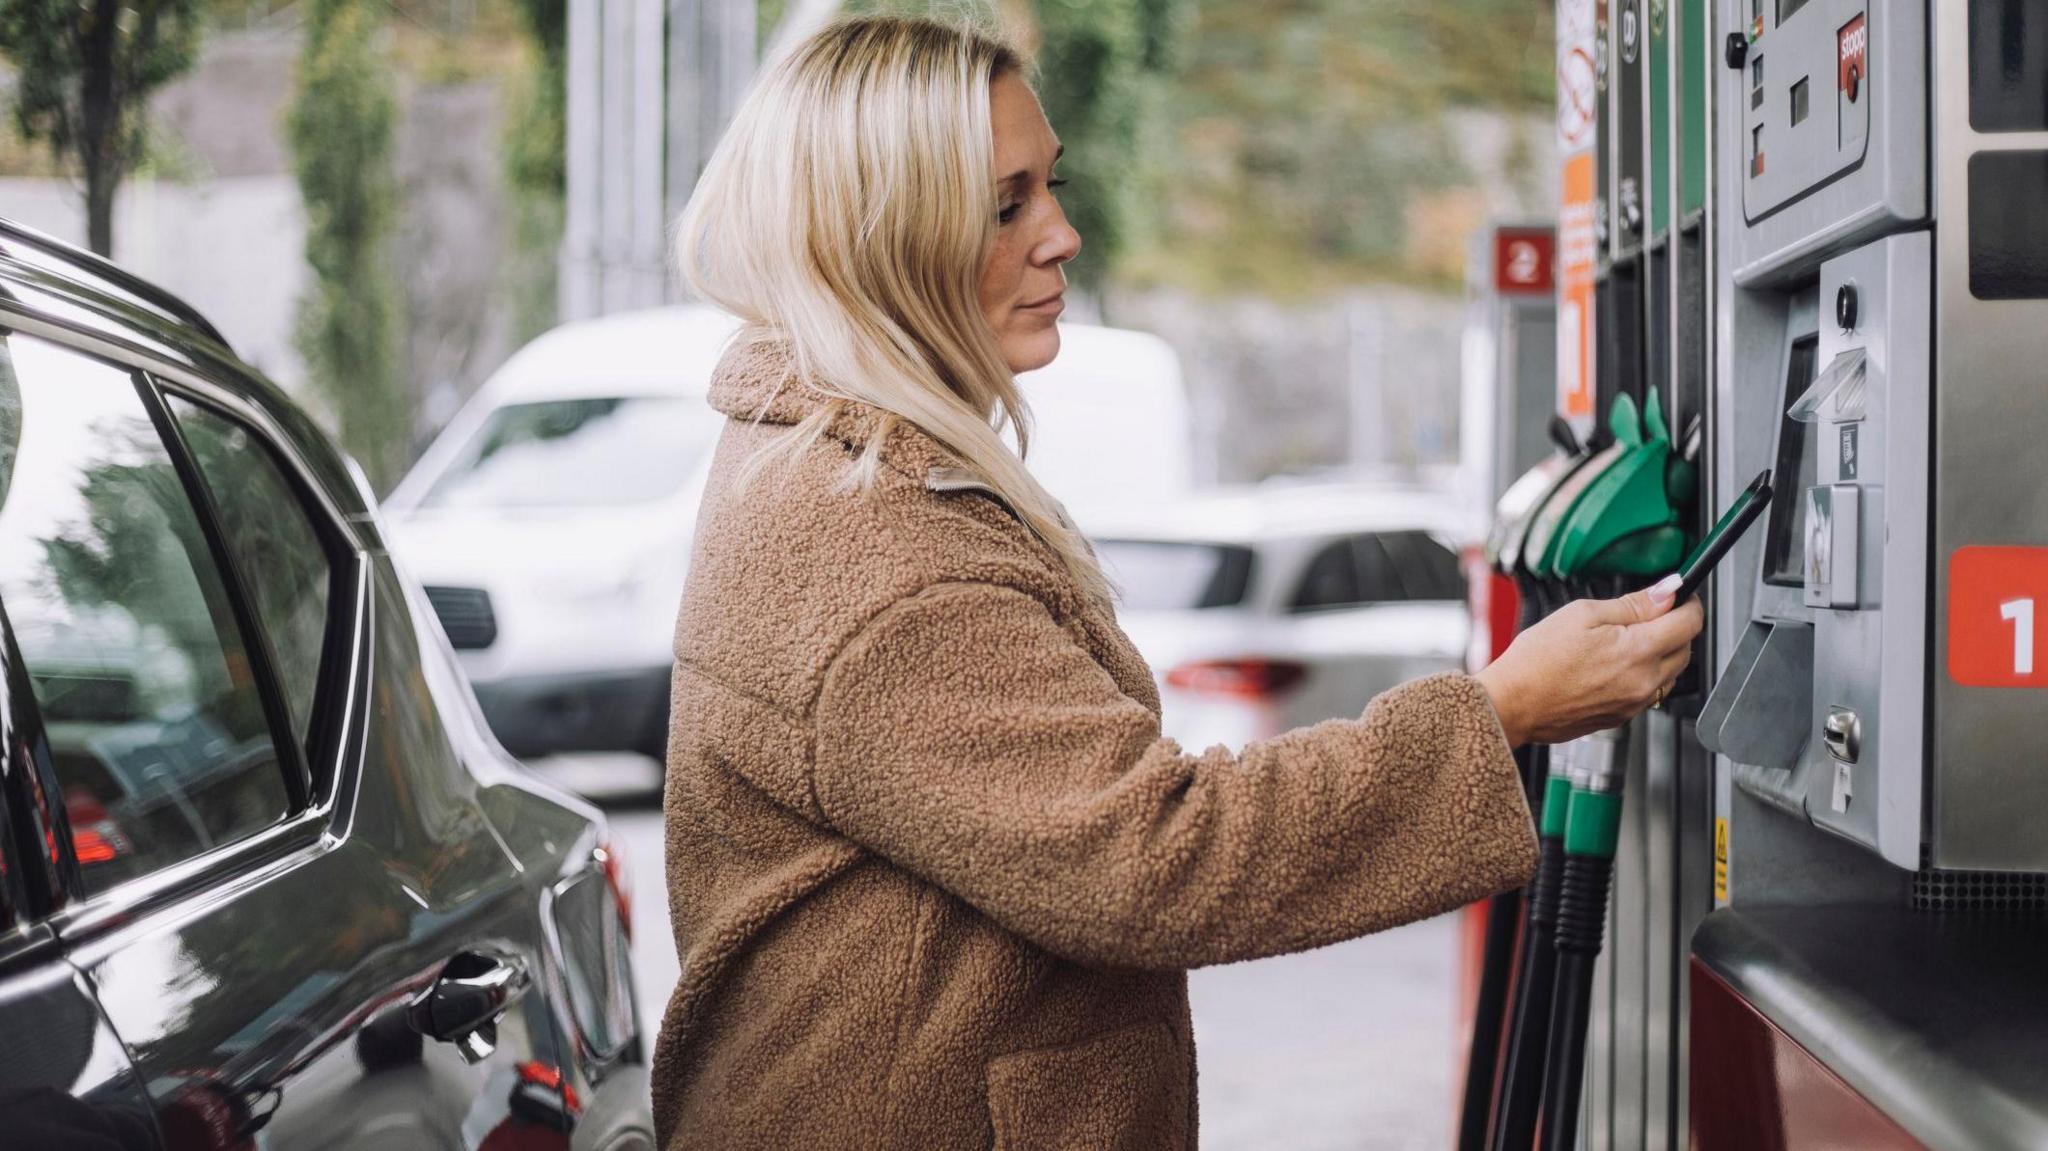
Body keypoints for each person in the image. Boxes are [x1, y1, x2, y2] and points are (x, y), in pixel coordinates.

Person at [653, 15, 1702, 1149]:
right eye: (1004, 204)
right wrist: (1499, 715)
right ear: (879, 237)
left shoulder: (807, 459)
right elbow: (1156, 857)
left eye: (1049, 185)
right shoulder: (878, 551)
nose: (1061, 234)